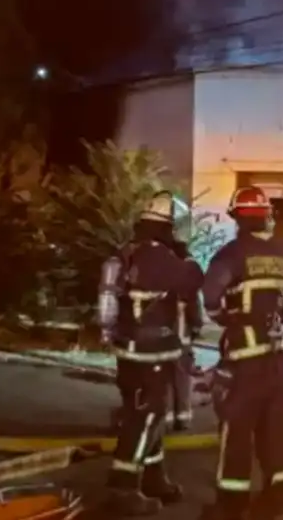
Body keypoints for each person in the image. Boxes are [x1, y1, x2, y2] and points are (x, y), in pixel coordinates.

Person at [199, 186, 283, 520]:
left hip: (243, 362)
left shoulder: (230, 255)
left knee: (236, 432)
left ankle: (231, 505)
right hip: (276, 361)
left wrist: (230, 319)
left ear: (237, 218)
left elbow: (210, 300)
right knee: (273, 430)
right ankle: (276, 498)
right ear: (267, 215)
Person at [97, 191, 205, 516]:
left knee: (141, 413)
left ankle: (155, 478)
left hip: (127, 351)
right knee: (148, 415)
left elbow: (107, 307)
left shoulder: (125, 254)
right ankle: (123, 487)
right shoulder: (168, 260)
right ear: (169, 225)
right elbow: (193, 285)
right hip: (153, 353)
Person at [168, 239, 204, 431]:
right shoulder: (188, 277)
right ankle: (183, 418)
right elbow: (194, 308)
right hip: (182, 337)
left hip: (164, 338)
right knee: (182, 379)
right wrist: (196, 327)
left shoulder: (164, 274)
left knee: (166, 379)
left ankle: (166, 418)